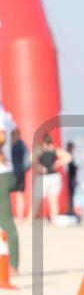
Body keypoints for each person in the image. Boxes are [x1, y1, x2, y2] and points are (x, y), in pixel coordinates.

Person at [33, 134, 71, 222]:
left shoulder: (40, 149)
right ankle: (54, 219)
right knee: (53, 200)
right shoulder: (54, 149)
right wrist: (58, 163)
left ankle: (30, 219)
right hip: (54, 177)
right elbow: (68, 157)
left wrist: (38, 167)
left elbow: (30, 159)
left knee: (36, 200)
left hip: (44, 177)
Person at [0, 107, 19, 272]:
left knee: (5, 219)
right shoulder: (5, 114)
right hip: (6, 171)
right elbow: (16, 132)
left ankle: (13, 264)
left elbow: (2, 135)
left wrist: (2, 153)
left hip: (1, 172)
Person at [11, 128, 30, 224]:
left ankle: (6, 217)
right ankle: (20, 218)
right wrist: (25, 168)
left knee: (5, 195)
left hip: (9, 172)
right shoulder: (21, 144)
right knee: (19, 195)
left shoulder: (8, 144)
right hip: (20, 172)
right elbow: (28, 158)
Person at [65, 141, 78, 216]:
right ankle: (69, 210)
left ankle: (71, 209)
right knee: (70, 194)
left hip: (71, 178)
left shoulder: (69, 155)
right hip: (69, 178)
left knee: (71, 194)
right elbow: (68, 168)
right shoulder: (67, 155)